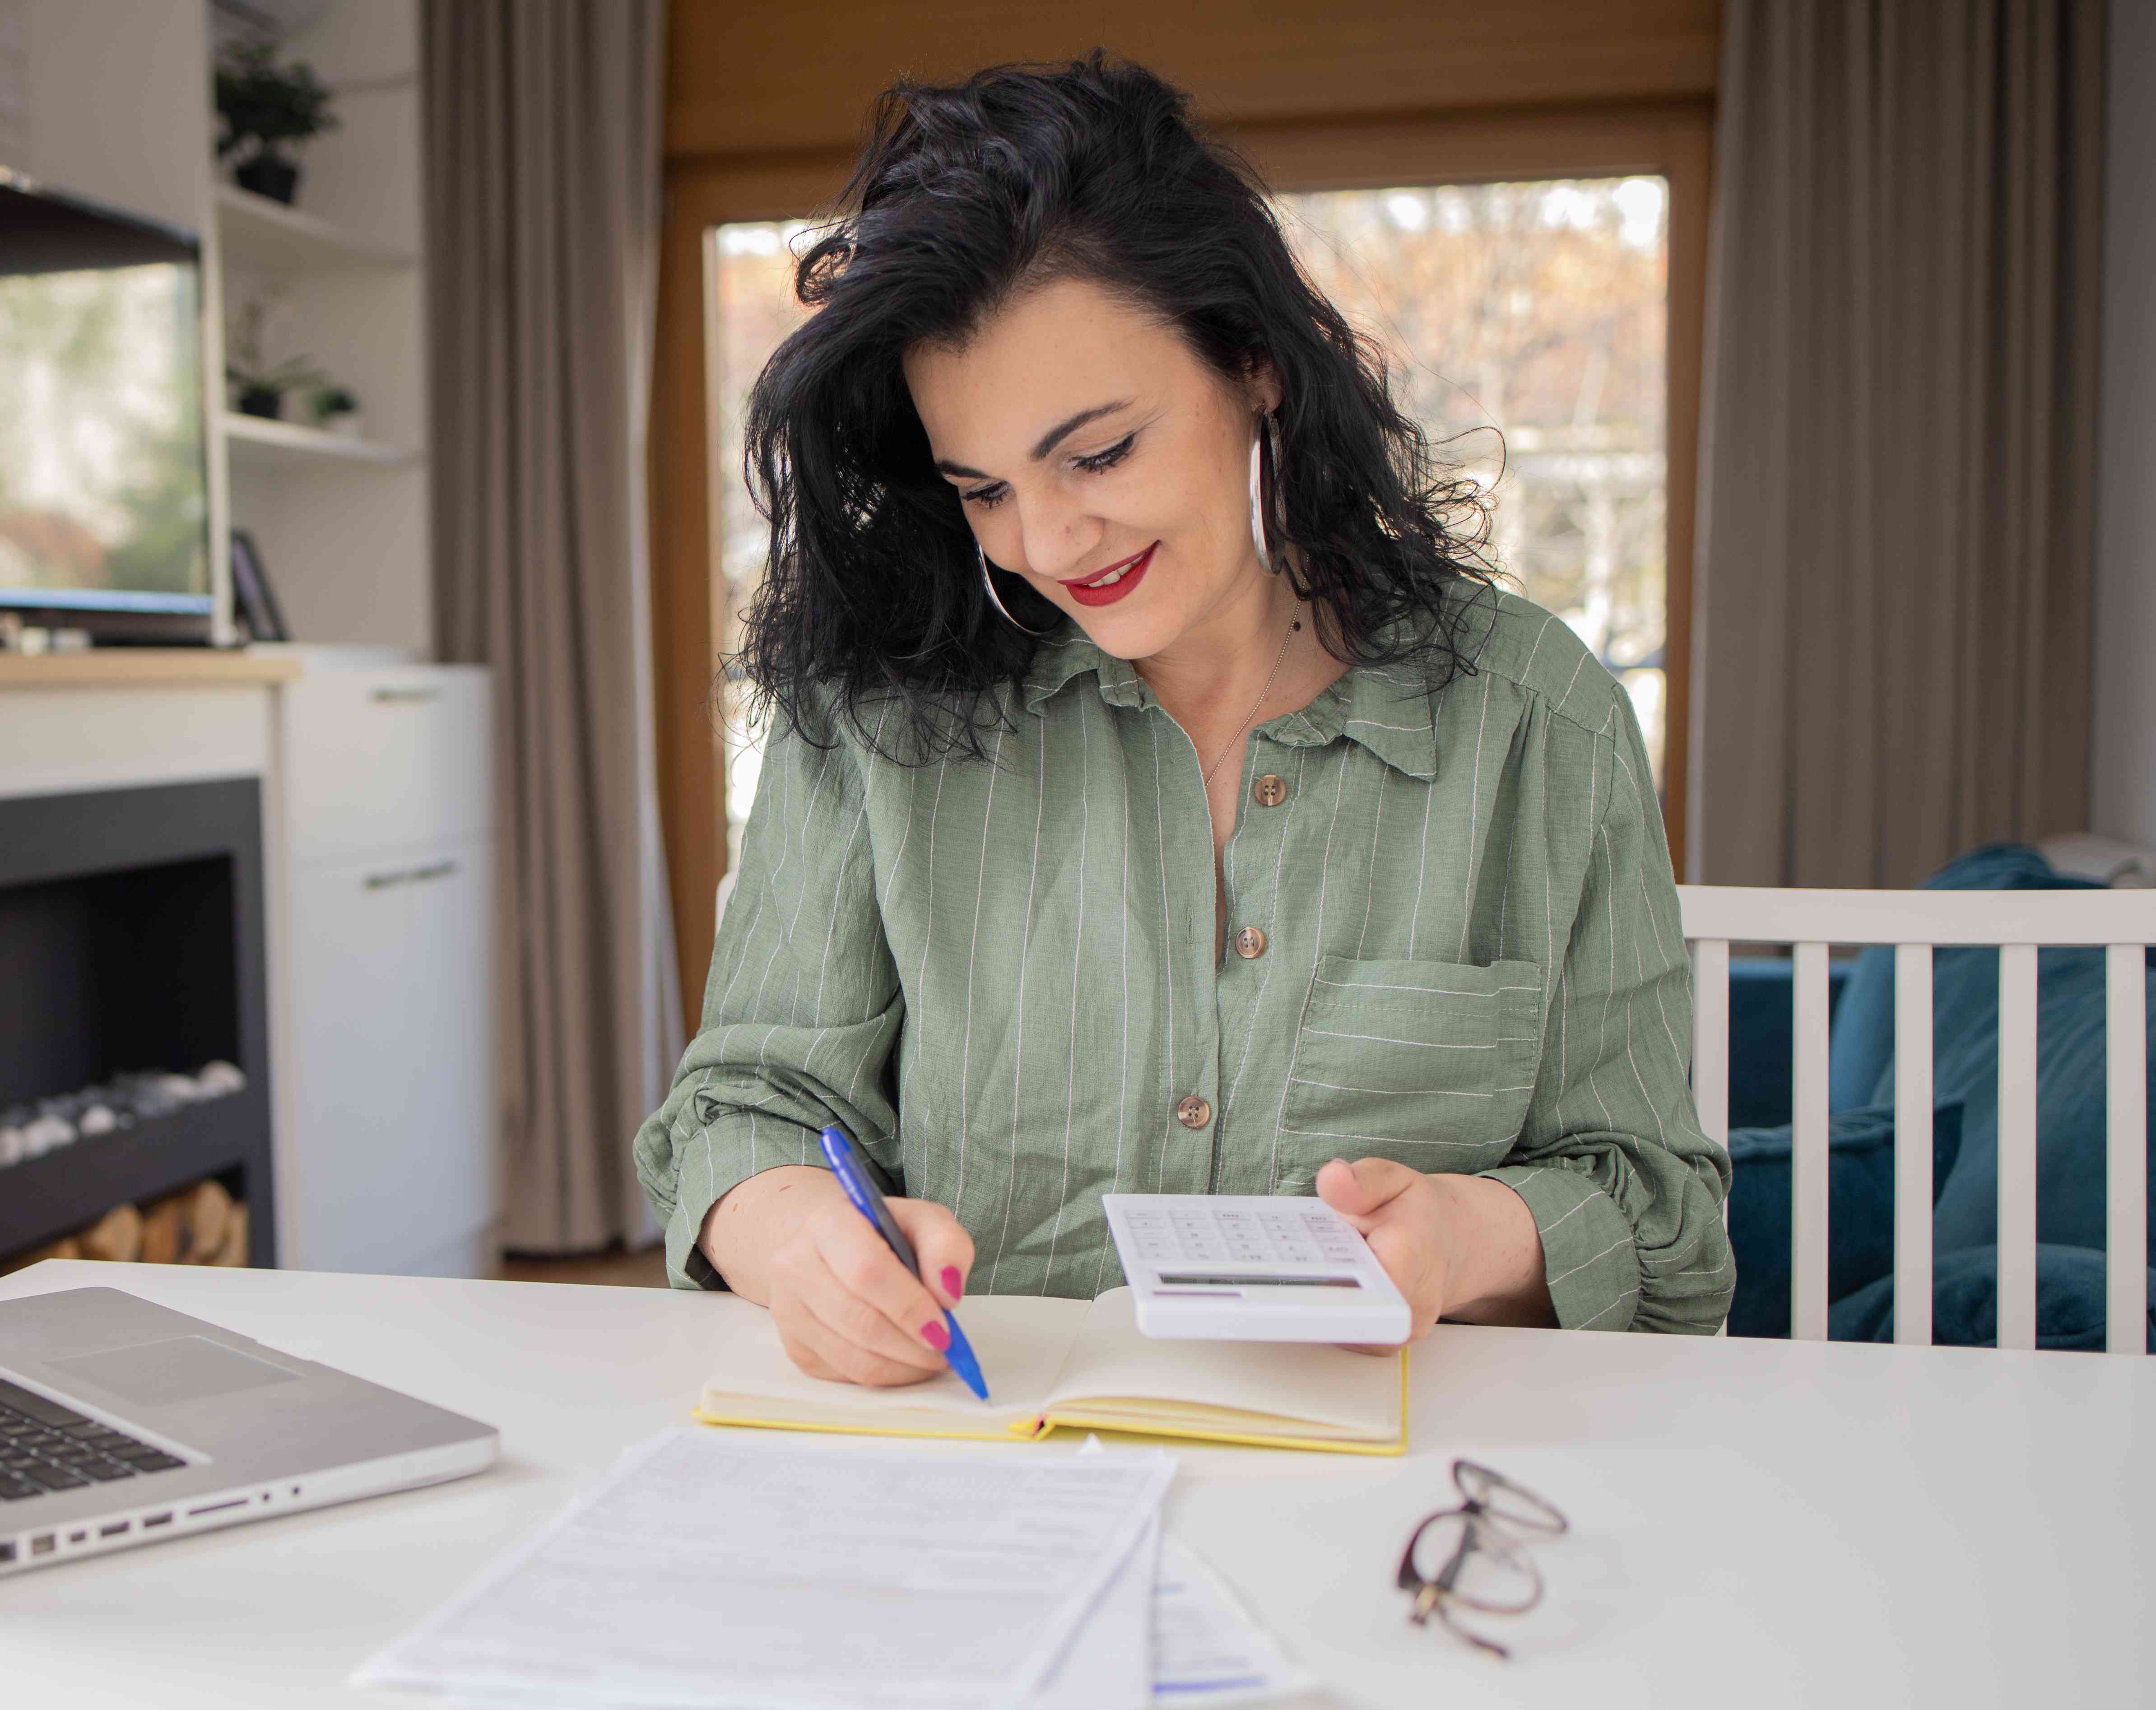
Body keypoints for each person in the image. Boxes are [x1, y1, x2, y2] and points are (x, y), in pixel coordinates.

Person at [632, 55, 1730, 1387]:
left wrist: (1460, 1233)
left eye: (1099, 454)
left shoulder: (1537, 724)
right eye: (983, 489)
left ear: (1257, 368)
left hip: (1400, 1503)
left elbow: (1660, 1212)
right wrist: (795, 1232)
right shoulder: (874, 716)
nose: (1046, 540)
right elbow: (745, 1110)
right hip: (989, 1476)